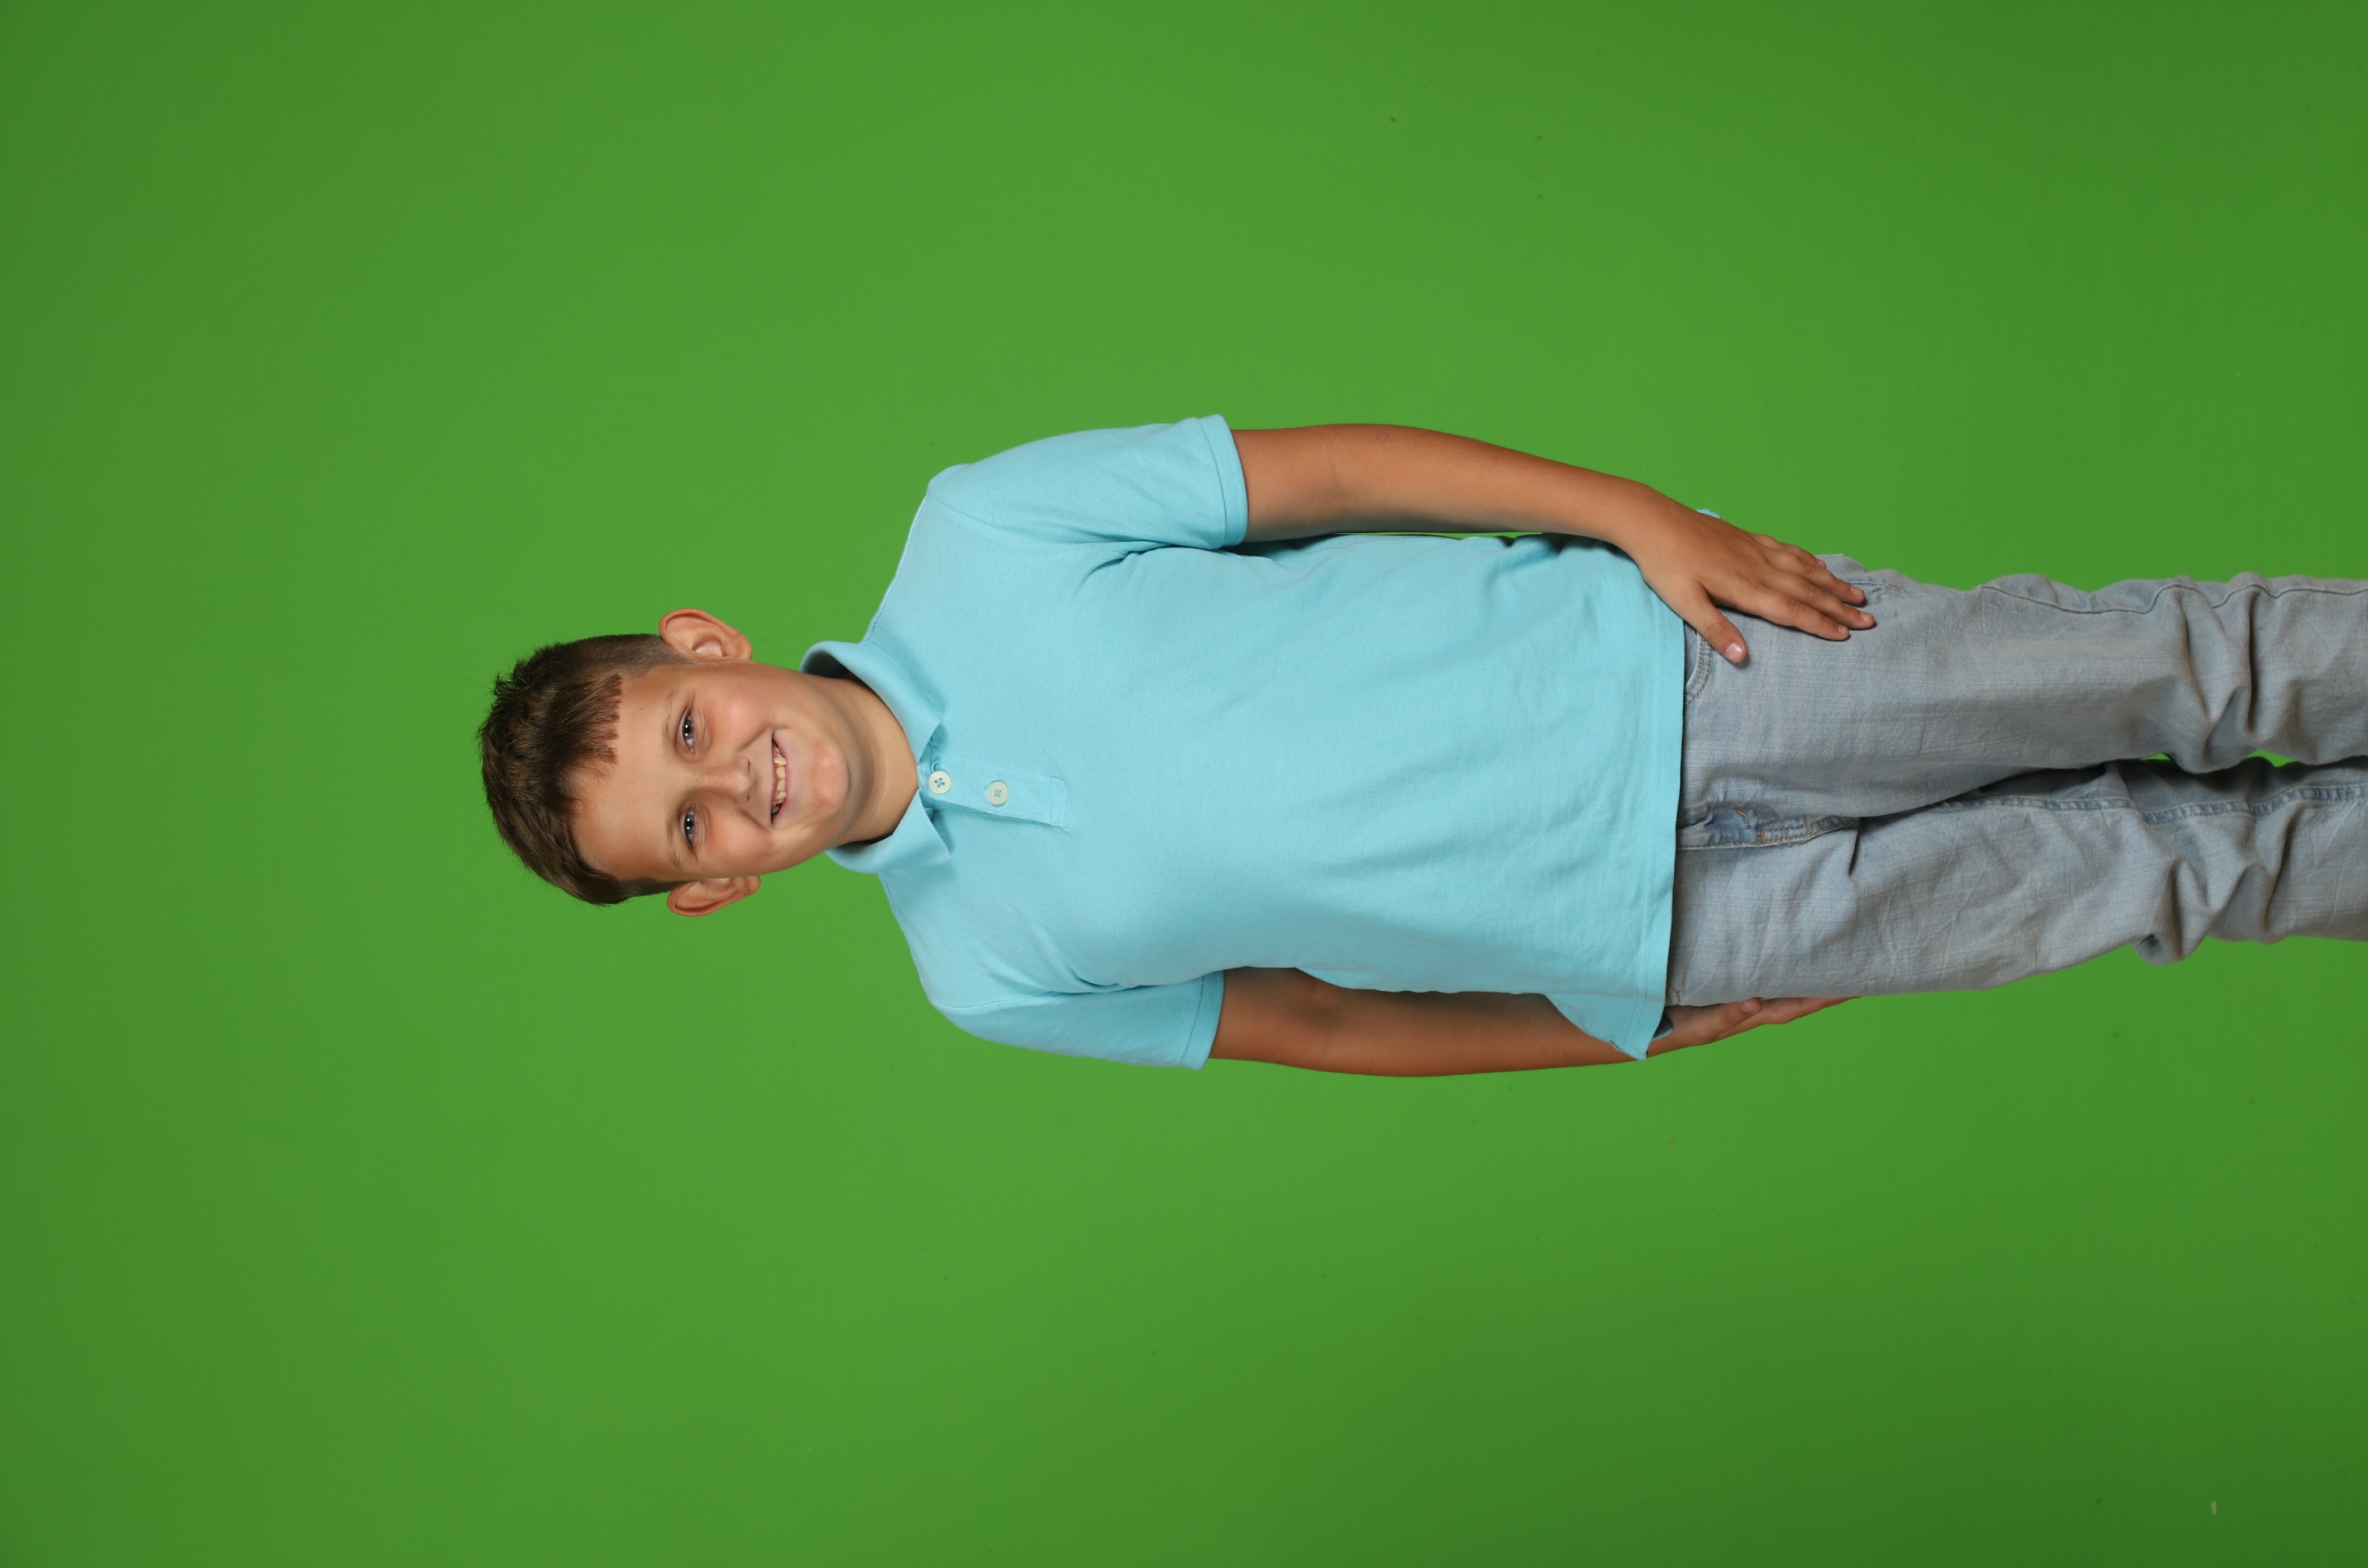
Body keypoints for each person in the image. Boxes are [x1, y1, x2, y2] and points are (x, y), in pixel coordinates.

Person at [478, 419, 2368, 1075]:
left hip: (1687, 671)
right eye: (692, 825)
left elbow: (1329, 477)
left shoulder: (980, 530)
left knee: (2171, 671)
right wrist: (1612, 1029)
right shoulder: (982, 974)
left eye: (693, 730)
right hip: (1673, 933)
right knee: (2164, 874)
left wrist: (1637, 518)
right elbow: (1317, 1023)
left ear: (705, 646)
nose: (738, 781)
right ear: (713, 892)